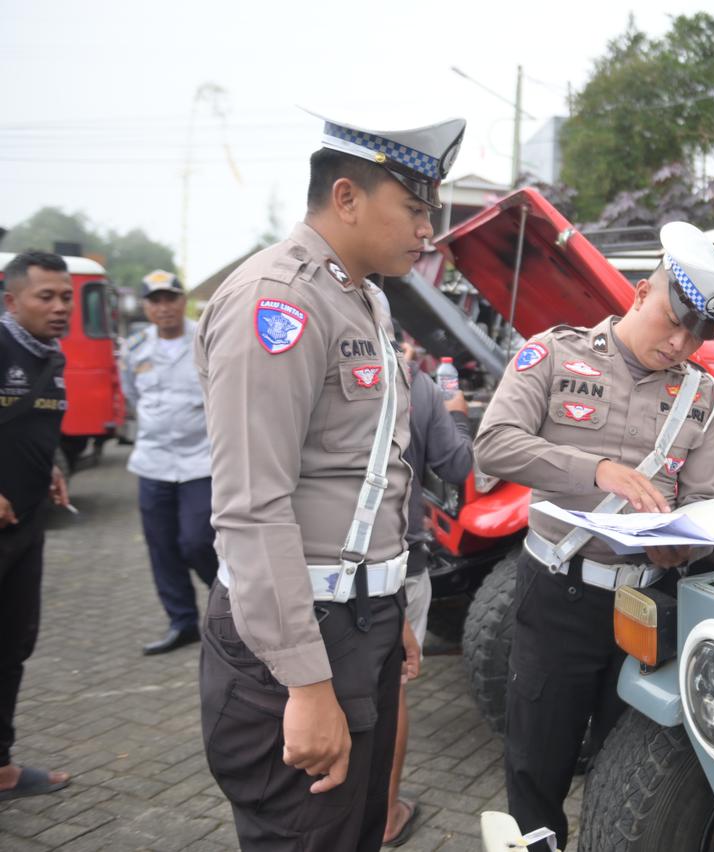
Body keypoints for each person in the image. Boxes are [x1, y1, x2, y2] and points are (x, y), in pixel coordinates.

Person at [194, 107, 464, 852]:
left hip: (358, 619)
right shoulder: (277, 301)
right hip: (297, 633)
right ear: (346, 197)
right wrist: (306, 683)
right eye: (413, 208)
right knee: (309, 834)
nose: (427, 231)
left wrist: (386, 600)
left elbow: (373, 469)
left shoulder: (362, 297)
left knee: (355, 831)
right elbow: (252, 507)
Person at [474, 221, 714, 850]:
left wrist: (685, 541)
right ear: (639, 293)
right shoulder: (554, 354)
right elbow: (493, 444)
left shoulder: (702, 393)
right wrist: (597, 470)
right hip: (559, 592)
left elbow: (704, 497)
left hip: (644, 602)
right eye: (673, 322)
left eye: (699, 335)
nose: (681, 343)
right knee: (537, 757)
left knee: (625, 760)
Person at [382, 327, 473, 847]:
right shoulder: (416, 384)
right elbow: (457, 464)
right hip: (398, 562)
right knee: (387, 689)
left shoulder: (309, 368)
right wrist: (457, 413)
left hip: (316, 563)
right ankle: (385, 815)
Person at [0, 251, 72, 802]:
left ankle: (0, 766)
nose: (60, 307)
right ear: (11, 301)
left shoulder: (51, 355)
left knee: (13, 643)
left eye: (66, 297)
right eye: (45, 296)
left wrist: (49, 468)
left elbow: (30, 426)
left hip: (26, 526)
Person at [121, 270, 218, 655]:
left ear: (182, 301)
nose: (164, 308)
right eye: (155, 301)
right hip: (153, 462)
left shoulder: (205, 337)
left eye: (170, 299)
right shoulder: (134, 348)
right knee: (162, 547)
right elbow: (132, 395)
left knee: (197, 541)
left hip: (200, 462)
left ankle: (229, 602)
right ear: (146, 307)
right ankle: (182, 622)